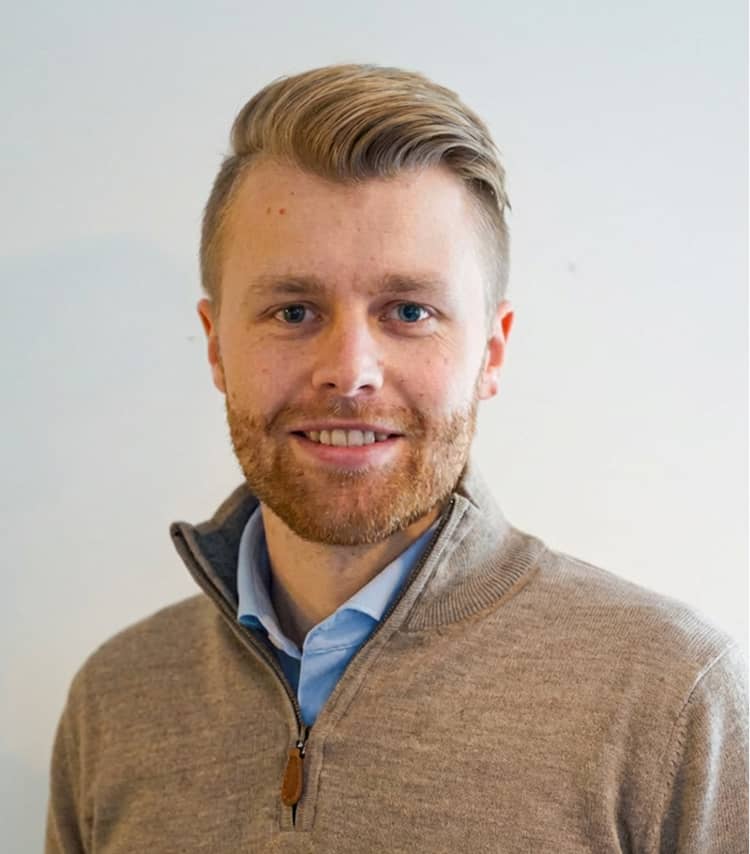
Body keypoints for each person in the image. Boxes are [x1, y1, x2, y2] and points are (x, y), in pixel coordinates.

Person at [46, 64, 748, 853]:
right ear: (215, 345)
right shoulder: (116, 700)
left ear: (492, 351)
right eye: (294, 310)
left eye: (409, 311)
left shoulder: (669, 697)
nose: (350, 369)